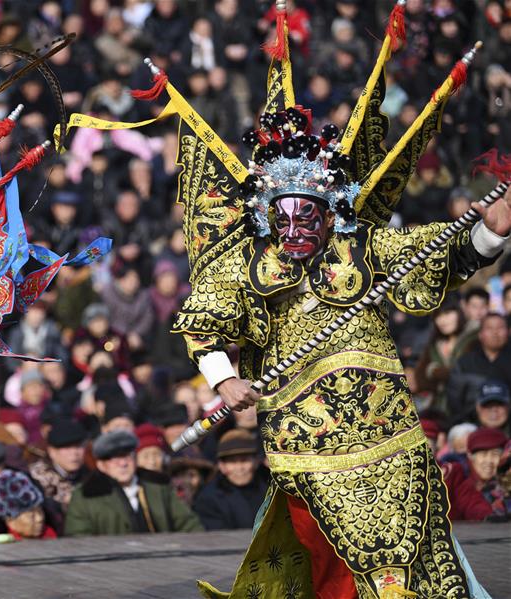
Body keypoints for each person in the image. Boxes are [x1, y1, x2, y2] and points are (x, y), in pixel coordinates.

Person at [136, 9, 510, 595]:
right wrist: (224, 380)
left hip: (390, 437)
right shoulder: (248, 265)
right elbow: (203, 323)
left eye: (305, 213)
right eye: (280, 216)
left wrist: (492, 232)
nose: (293, 229)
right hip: (305, 444)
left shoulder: (363, 247)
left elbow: (443, 255)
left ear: (329, 210)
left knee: (416, 558)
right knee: (334, 564)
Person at [65, 430, 202, 536]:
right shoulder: (86, 494)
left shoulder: (158, 485)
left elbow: (188, 523)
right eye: (115, 458)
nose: (123, 463)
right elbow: (79, 538)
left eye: (127, 456)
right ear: (101, 465)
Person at [192, 429, 268, 530]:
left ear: (256, 462)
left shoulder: (270, 489)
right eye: (232, 462)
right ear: (222, 466)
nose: (240, 468)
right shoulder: (209, 498)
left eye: (244, 460)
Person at [443, 427, 510, 521]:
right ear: (470, 456)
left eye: (495, 454)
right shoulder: (457, 476)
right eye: (483, 454)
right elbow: (470, 502)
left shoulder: (505, 485)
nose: (489, 461)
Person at [29, 419, 90, 512]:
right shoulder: (37, 478)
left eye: (78, 446)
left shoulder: (89, 474)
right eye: (67, 447)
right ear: (52, 451)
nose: (74, 453)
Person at [0, 469, 59, 540]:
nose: (39, 519)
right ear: (11, 522)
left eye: (40, 511)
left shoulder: (50, 535)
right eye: (31, 515)